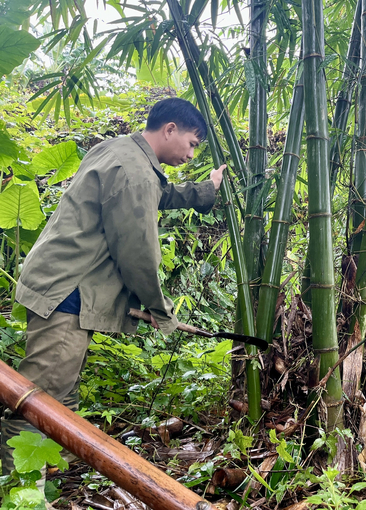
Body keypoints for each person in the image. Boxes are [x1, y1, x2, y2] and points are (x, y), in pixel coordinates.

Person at [0, 98, 225, 486]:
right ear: (170, 129)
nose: (191, 153)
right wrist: (161, 309)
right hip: (68, 290)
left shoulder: (121, 151)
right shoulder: (134, 171)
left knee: (61, 397)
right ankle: (21, 491)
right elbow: (138, 253)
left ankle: (50, 479)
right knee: (39, 402)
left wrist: (205, 191)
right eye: (191, 143)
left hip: (60, 281)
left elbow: (157, 193)